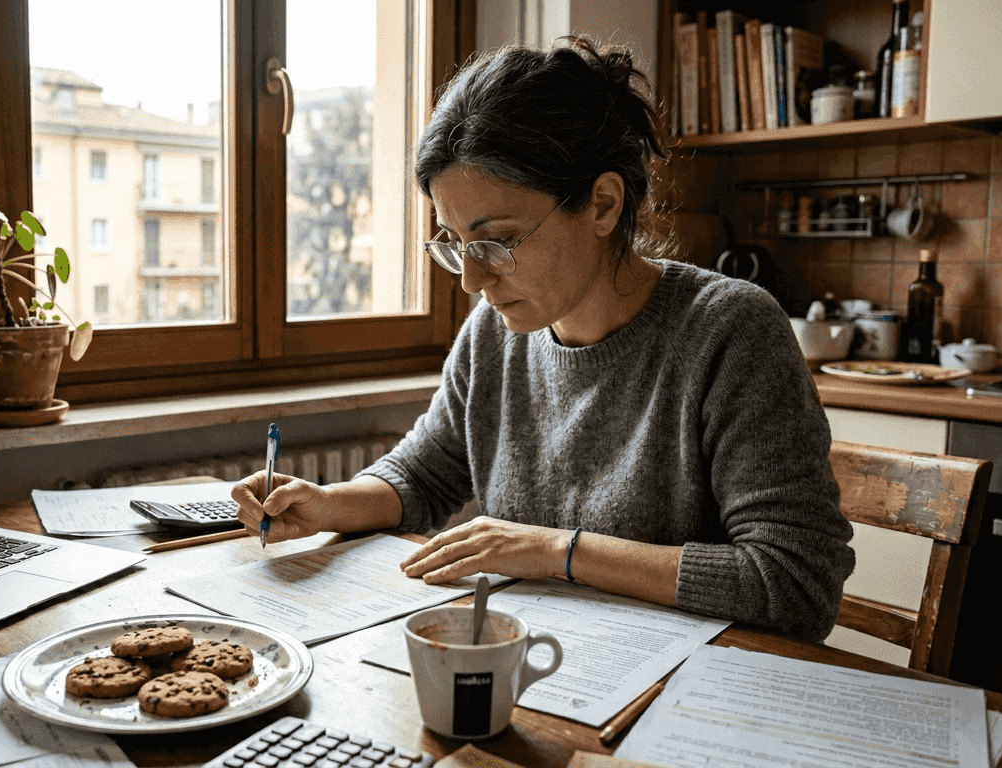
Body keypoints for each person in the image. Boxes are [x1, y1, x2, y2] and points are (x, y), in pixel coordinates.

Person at [232, 37, 854, 642]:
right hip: (547, 666)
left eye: (497, 241)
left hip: (693, 687)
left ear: (603, 205)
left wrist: (556, 551)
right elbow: (423, 474)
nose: (471, 280)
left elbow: (795, 583)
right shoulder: (495, 334)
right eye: (455, 243)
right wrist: (329, 503)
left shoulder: (730, 332)